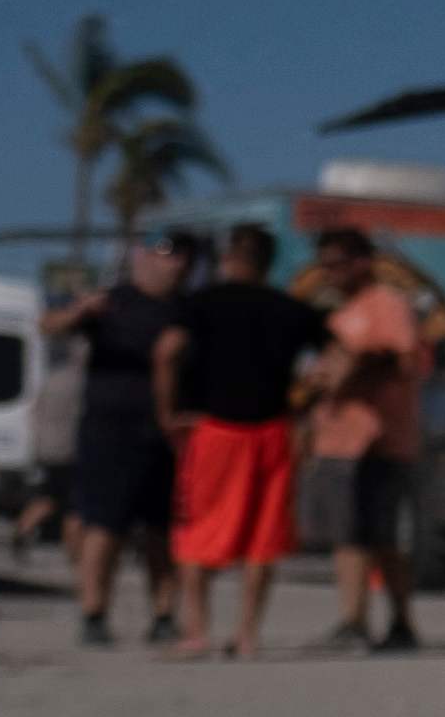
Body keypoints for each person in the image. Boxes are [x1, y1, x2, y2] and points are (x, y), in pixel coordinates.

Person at [152, 223, 326, 658]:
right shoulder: (291, 309)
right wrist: (310, 404)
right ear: (269, 263)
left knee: (197, 531)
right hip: (272, 431)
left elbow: (165, 352)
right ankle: (247, 635)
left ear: (230, 257)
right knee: (262, 539)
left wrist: (167, 412)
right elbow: (335, 356)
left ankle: (197, 631)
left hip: (216, 431)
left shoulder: (200, 304)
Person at [296, 222, 445, 654]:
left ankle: (361, 622)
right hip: (338, 439)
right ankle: (372, 620)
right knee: (362, 535)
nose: (329, 274)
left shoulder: (386, 305)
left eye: (337, 265)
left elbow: (401, 358)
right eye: (323, 266)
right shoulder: (339, 313)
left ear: (362, 263)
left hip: (377, 441)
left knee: (363, 535)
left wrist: (354, 369)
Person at [42, 232, 191, 648]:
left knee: (160, 531)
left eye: (182, 256)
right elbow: (47, 326)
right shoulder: (114, 301)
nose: (174, 263)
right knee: (104, 526)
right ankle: (94, 613)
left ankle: (163, 615)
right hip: (110, 430)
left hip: (166, 435)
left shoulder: (187, 311)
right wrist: (77, 312)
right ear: (143, 257)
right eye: (166, 253)